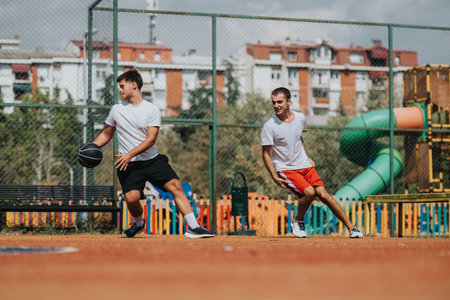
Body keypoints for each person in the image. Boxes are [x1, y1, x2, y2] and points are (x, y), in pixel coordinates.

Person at [92, 69, 215, 238]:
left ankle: (194, 227)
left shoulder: (151, 109)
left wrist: (129, 154)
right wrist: (90, 148)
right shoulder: (116, 109)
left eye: (122, 86)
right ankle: (139, 224)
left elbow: (151, 139)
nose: (119, 90)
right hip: (128, 164)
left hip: (151, 160)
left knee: (176, 187)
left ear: (133, 85)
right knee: (132, 198)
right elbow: (106, 134)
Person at [261, 87, 363, 238]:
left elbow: (298, 138)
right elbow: (266, 153)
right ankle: (298, 220)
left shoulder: (301, 118)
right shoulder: (269, 126)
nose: (276, 105)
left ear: (289, 102)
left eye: (280, 102)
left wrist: (306, 156)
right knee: (309, 192)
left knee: (324, 195)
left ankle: (352, 229)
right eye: (274, 102)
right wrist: (274, 176)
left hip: (305, 165)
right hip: (286, 168)